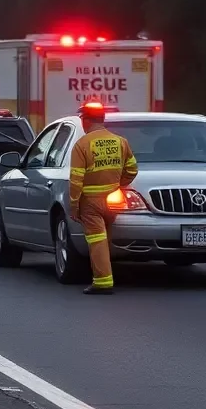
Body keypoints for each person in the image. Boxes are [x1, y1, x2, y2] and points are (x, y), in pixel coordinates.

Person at [69, 100, 138, 295]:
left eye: (83, 119)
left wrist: (74, 205)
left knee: (97, 240)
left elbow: (76, 180)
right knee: (108, 238)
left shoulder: (82, 145)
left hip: (90, 203)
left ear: (87, 121)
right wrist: (119, 183)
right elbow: (132, 169)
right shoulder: (120, 141)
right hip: (114, 199)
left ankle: (102, 281)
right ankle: (117, 273)